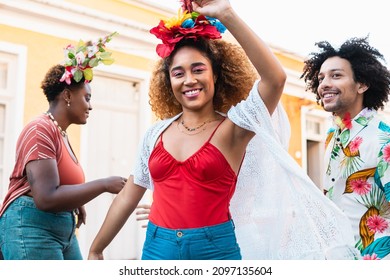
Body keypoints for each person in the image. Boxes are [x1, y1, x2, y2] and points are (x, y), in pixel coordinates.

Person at [89, 0, 358, 260]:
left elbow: (275, 79)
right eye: (178, 73)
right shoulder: (155, 134)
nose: (189, 80)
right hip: (158, 249)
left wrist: (227, 13)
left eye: (198, 69)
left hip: (215, 250)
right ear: (168, 80)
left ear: (215, 75)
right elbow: (128, 194)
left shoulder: (234, 128)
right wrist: (96, 248)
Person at [0, 32, 127, 260]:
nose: (90, 106)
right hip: (32, 228)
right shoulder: (40, 129)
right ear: (67, 95)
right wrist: (104, 184)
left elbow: (59, 185)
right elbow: (46, 197)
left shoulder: (60, 133)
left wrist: (75, 203)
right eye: (87, 98)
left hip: (62, 230)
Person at [301, 36, 390, 260]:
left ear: (362, 84)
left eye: (336, 75)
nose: (324, 84)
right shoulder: (332, 135)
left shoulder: (383, 138)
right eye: (321, 78)